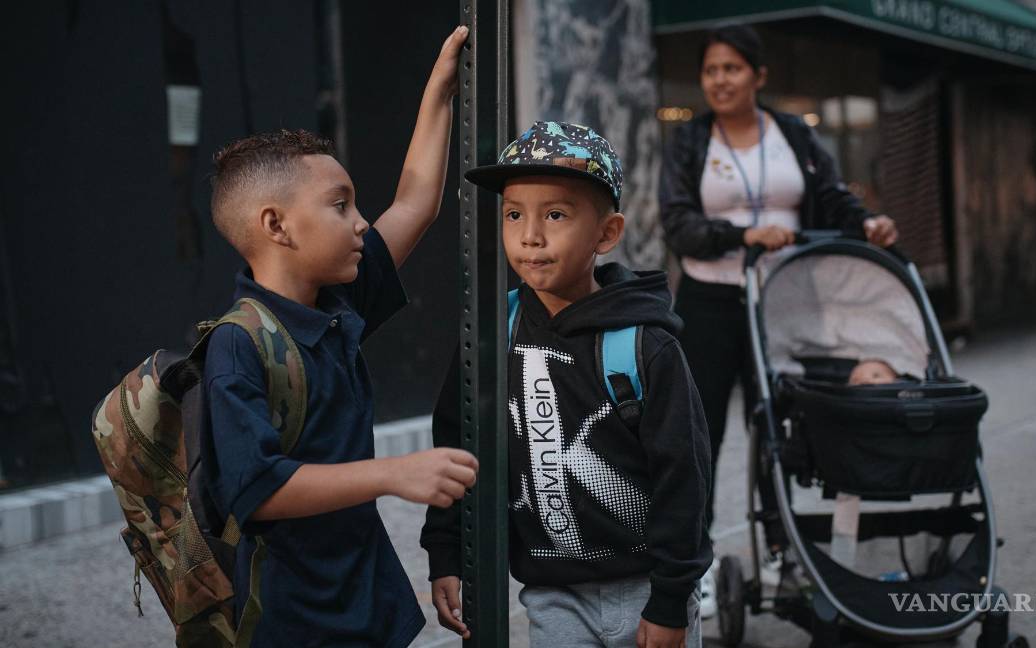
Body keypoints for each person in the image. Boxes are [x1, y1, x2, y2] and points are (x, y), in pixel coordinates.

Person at [200, 27, 478, 647]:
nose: (360, 224)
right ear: (276, 225)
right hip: (295, 621)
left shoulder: (336, 303)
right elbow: (257, 488)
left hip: (366, 602)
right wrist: (392, 473)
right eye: (340, 205)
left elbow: (415, 204)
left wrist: (439, 92)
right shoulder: (237, 346)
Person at [421, 121, 712, 648]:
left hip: (646, 590)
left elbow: (684, 479)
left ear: (607, 233)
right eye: (514, 214)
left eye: (555, 214)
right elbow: (456, 446)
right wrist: (446, 553)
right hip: (553, 596)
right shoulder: (490, 337)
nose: (531, 235)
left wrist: (670, 599)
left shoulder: (645, 345)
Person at [658, 24, 899, 612]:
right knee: (699, 434)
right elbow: (678, 223)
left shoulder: (791, 133)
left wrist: (867, 223)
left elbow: (834, 197)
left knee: (777, 429)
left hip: (783, 302)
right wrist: (745, 234)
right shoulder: (691, 142)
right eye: (711, 70)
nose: (720, 80)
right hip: (709, 301)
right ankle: (698, 566)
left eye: (732, 69)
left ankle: (778, 551)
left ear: (758, 77)